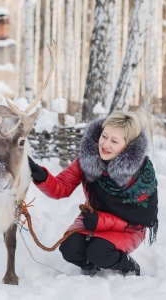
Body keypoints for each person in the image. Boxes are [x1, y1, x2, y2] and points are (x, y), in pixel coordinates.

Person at [28, 110, 158, 276]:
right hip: (92, 219)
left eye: (114, 141)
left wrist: (100, 221)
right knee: (69, 248)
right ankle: (90, 267)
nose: (105, 144)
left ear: (127, 146)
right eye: (104, 136)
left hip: (128, 228)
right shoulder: (88, 157)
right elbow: (61, 187)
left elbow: (140, 219)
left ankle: (127, 266)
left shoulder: (140, 172)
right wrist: (42, 176)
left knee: (99, 252)